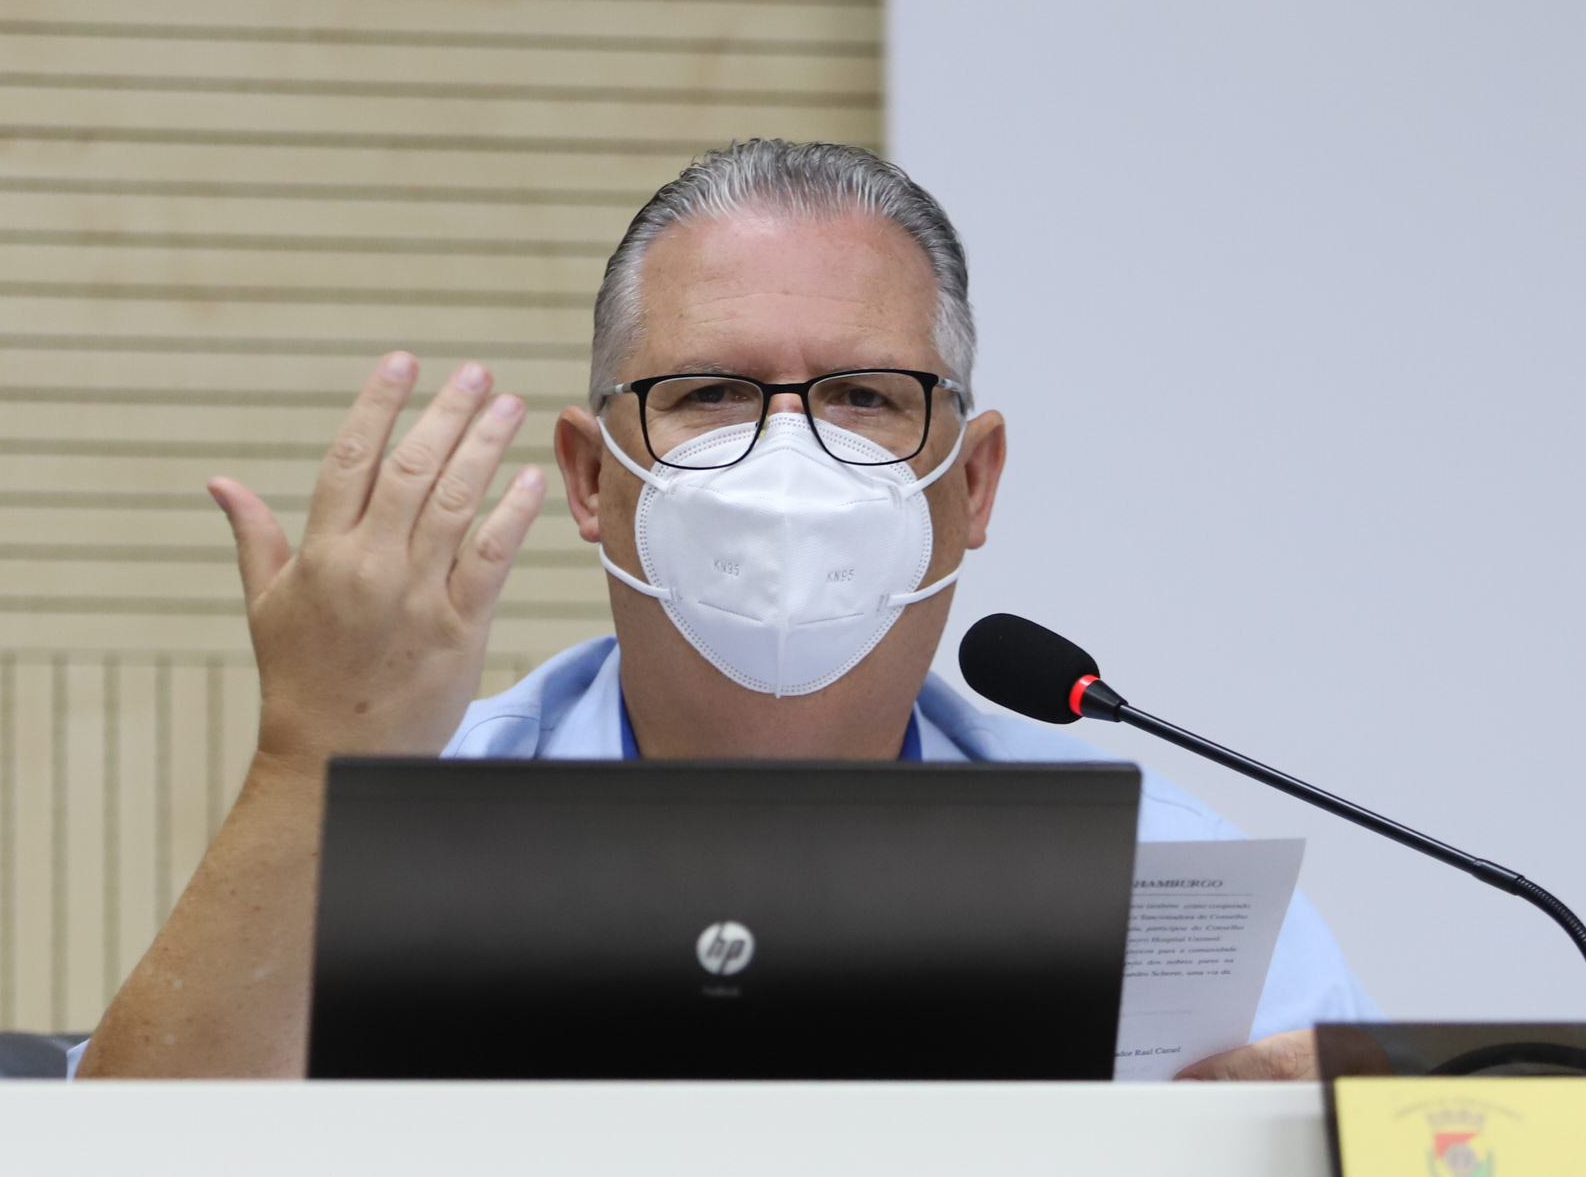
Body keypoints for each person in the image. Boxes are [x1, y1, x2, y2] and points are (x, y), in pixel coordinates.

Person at [75, 140, 1377, 1080]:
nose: (788, 457)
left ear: (971, 484)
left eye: (864, 397)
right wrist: (310, 761)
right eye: (711, 393)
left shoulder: (1157, 878)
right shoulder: (390, 826)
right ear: (593, 479)